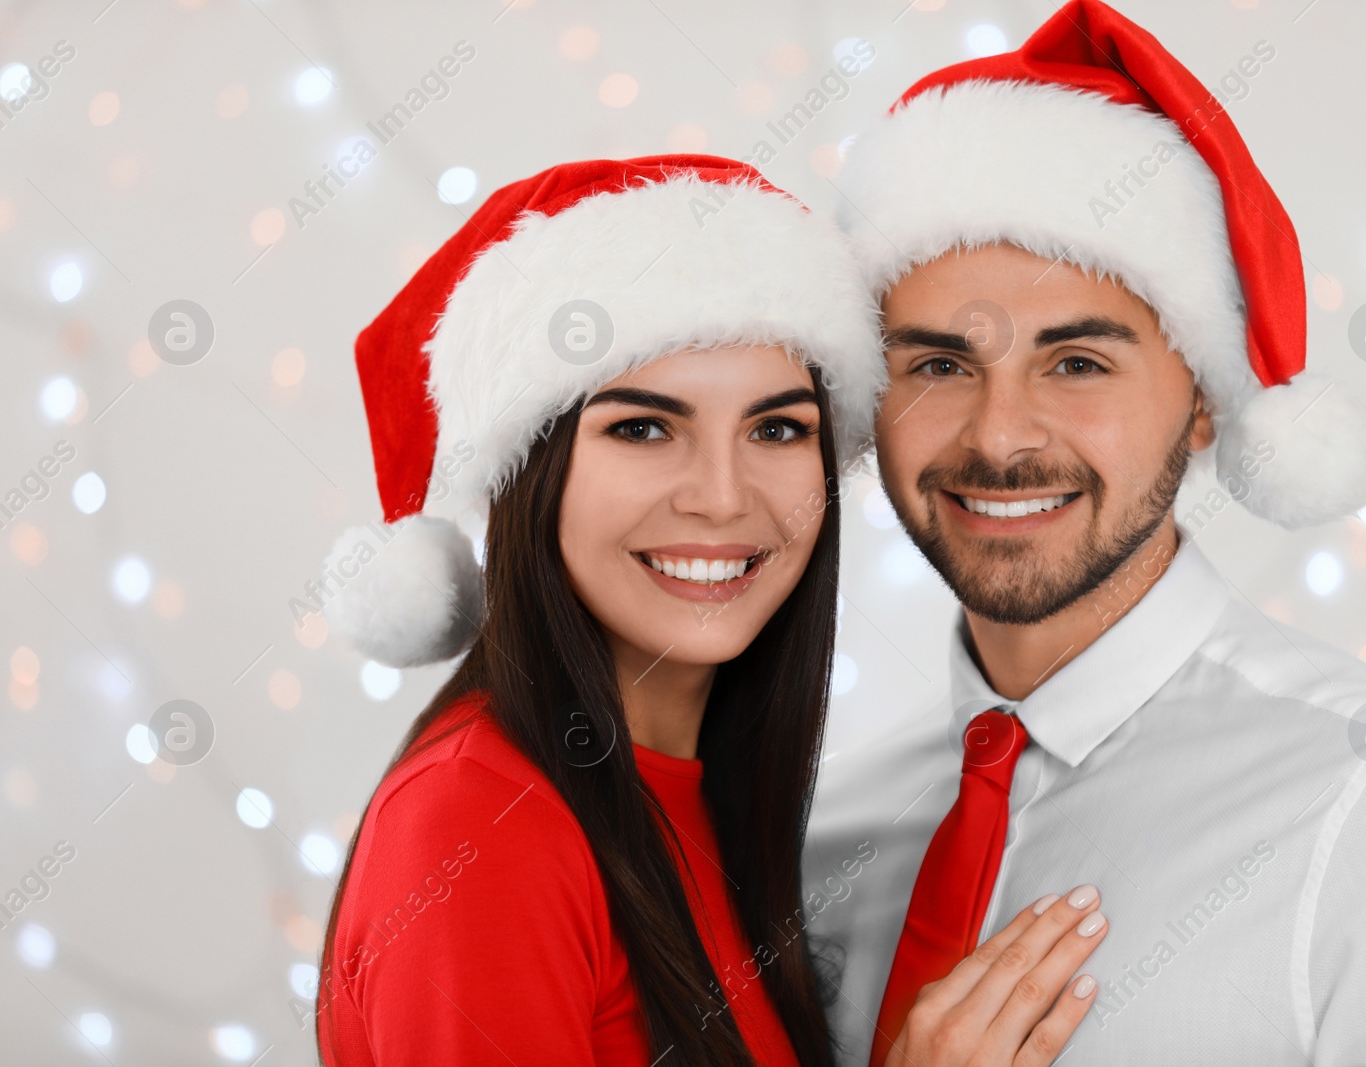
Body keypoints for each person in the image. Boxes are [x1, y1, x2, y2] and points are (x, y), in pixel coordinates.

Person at [803, 3, 1366, 1065]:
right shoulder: (825, 841)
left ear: (1206, 400)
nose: (999, 436)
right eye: (938, 364)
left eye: (1077, 362)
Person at [309, 156, 1107, 1067]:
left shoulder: (710, 799)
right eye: (644, 427)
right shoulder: (477, 823)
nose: (724, 498)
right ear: (534, 473)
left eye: (776, 428)